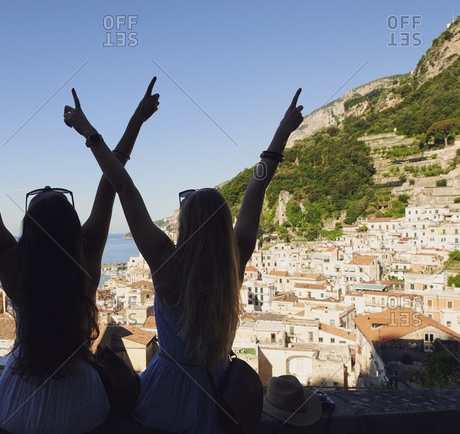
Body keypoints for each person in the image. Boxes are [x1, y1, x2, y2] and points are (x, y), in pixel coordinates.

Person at [0, 63, 160, 433]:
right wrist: (134, 122)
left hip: (19, 392)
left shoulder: (11, 262)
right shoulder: (87, 256)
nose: (47, 185)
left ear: (28, 228)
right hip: (80, 391)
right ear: (71, 224)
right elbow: (113, 181)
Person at [66, 87, 303, 433]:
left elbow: (123, 185)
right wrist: (283, 130)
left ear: (184, 224)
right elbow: (257, 187)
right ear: (224, 224)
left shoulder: (166, 263)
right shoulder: (233, 261)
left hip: (161, 393)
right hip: (217, 394)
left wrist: (88, 130)